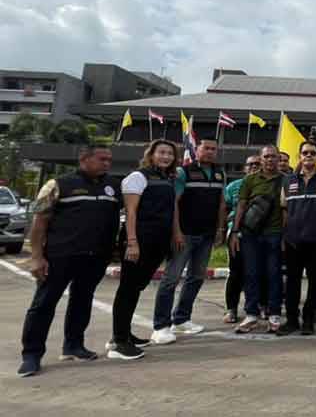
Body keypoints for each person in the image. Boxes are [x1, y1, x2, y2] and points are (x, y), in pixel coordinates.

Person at [18, 146, 120, 378]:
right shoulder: (58, 184)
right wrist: (36, 257)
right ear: (84, 159)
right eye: (102, 159)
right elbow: (40, 222)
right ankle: (32, 355)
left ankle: (73, 346)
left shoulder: (113, 186)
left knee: (82, 301)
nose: (107, 163)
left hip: (95, 256)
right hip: (59, 256)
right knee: (43, 304)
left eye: (109, 160)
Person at [108, 140, 181, 361]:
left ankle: (125, 333)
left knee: (136, 288)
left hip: (158, 242)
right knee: (128, 289)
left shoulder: (168, 178)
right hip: (139, 241)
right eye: (161, 152)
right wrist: (132, 242)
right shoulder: (138, 177)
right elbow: (130, 212)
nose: (166, 157)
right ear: (151, 154)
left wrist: (176, 233)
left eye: (170, 153)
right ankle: (118, 342)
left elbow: (172, 209)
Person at [150, 138, 227, 345]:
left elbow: (221, 203)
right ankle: (161, 326)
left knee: (196, 277)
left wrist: (220, 229)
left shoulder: (220, 173)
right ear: (196, 150)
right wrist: (176, 232)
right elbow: (174, 203)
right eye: (206, 148)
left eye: (213, 149)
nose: (210, 152)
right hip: (185, 234)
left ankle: (181, 319)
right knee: (171, 279)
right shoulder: (184, 172)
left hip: (207, 235)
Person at [277, 141, 316, 336]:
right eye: (305, 153)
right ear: (299, 156)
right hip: (293, 240)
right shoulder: (288, 181)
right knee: (292, 281)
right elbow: (284, 212)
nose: (308, 155)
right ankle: (292, 320)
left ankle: (308, 319)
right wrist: (283, 236)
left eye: (312, 153)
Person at [230, 145, 286, 334]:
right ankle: (251, 314)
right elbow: (241, 205)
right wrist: (235, 232)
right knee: (251, 274)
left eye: (274, 157)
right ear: (261, 159)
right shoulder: (250, 180)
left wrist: (286, 234)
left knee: (274, 275)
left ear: (279, 159)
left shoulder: (286, 180)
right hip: (250, 234)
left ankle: (274, 314)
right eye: (267, 157)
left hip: (275, 233)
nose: (270, 160)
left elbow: (288, 210)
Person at [222, 155, 261, 323]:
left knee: (259, 273)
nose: (254, 167)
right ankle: (231, 309)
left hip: (261, 233)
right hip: (237, 234)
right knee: (236, 272)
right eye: (250, 164)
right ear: (245, 168)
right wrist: (225, 230)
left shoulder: (268, 185)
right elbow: (224, 209)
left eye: (257, 164)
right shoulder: (233, 187)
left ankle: (258, 307)